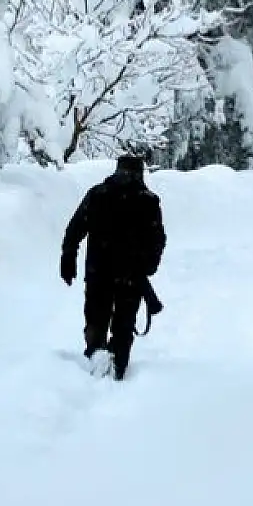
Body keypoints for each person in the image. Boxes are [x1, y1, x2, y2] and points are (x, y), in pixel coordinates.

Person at [60, 154, 166, 381]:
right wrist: (149, 265)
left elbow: (75, 228)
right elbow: (157, 238)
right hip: (129, 277)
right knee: (123, 326)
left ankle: (95, 365)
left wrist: (68, 257)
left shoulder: (98, 194)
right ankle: (116, 368)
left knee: (97, 323)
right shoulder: (148, 200)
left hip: (100, 273)